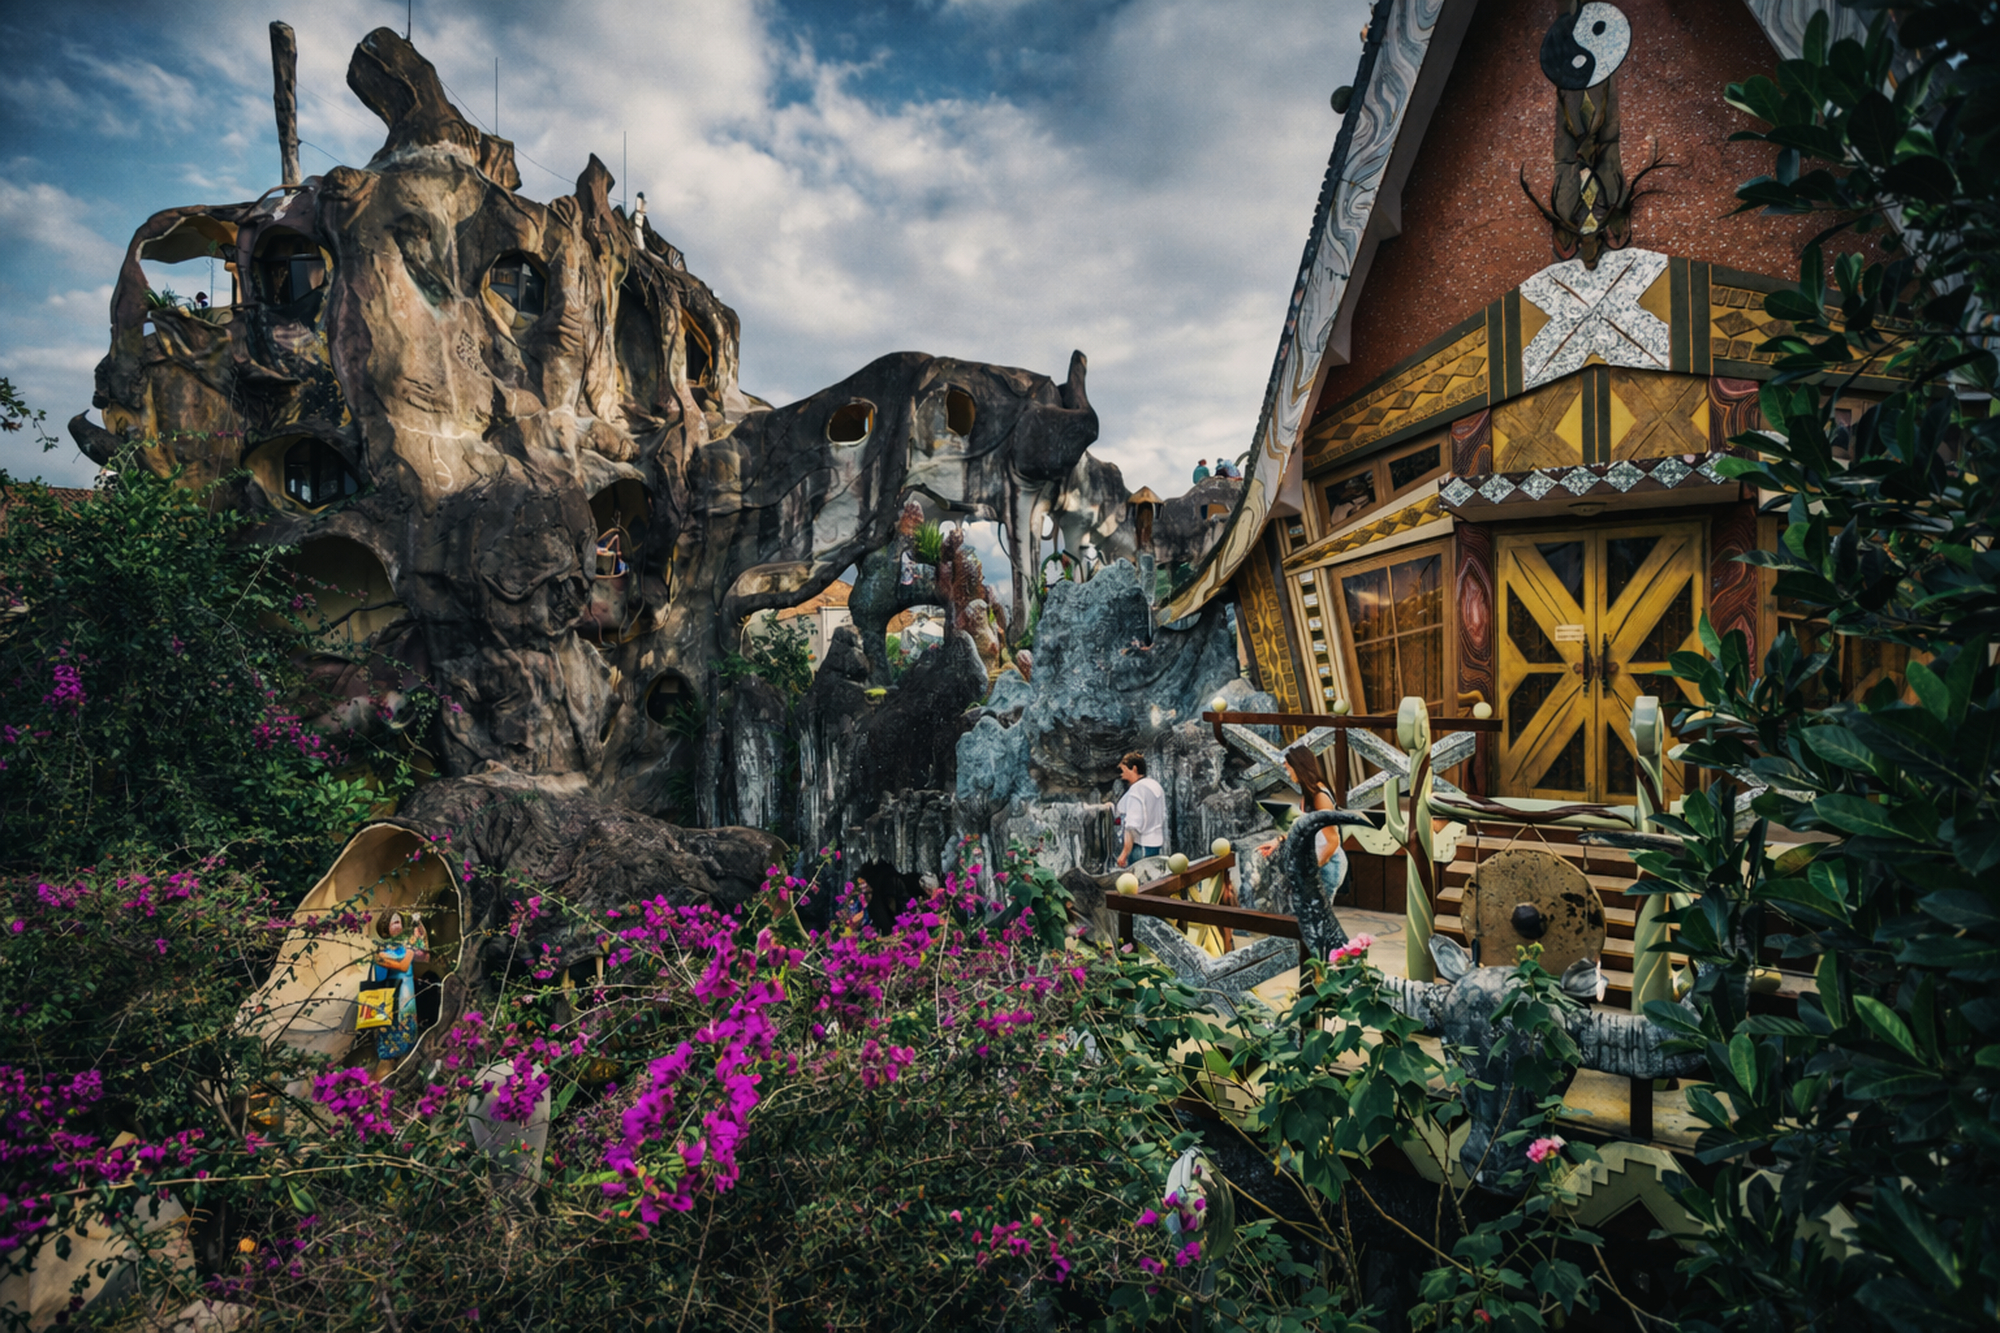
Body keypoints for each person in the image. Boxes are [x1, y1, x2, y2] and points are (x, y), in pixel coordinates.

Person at [1257, 744, 1349, 910]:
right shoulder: (1308, 794)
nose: (1288, 773)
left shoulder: (1320, 797)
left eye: (1289, 768)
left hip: (1327, 864)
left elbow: (1332, 841)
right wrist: (1278, 840)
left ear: (1299, 767)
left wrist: (1311, 870)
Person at [370, 909, 423, 1064]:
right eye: (394, 923)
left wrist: (418, 926)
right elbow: (400, 965)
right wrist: (408, 950)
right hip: (391, 994)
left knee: (407, 1021)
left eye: (399, 922)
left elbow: (414, 960)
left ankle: (408, 1053)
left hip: (407, 993)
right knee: (392, 1024)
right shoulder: (382, 951)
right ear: (385, 927)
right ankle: (390, 1057)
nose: (398, 926)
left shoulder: (405, 947)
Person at [1114, 751, 1167, 868]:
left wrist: (1124, 853)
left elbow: (1132, 825)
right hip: (1155, 844)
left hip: (1140, 846)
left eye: (1123, 770)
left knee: (1138, 878)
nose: (1121, 774)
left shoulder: (1137, 790)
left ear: (1134, 769)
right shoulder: (1155, 785)